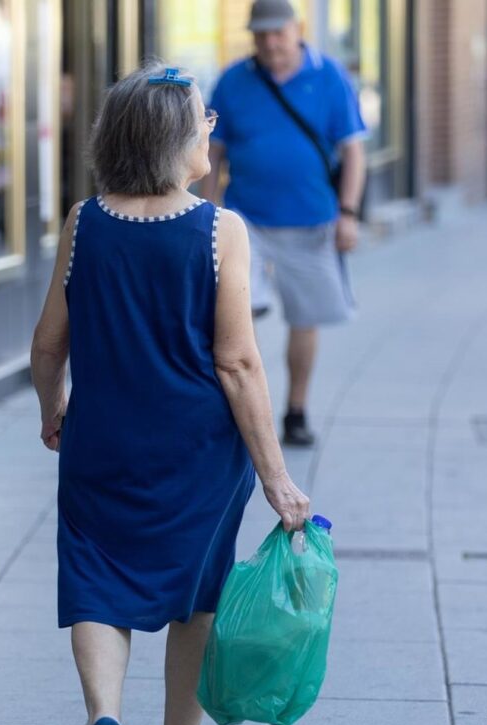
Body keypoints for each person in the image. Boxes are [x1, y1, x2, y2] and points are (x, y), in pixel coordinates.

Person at [30, 62, 310, 725]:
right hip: (197, 452)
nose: (211, 132)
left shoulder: (84, 221)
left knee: (94, 580)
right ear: (173, 140)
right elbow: (240, 360)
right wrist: (278, 476)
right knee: (196, 595)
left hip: (101, 439)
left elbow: (48, 343)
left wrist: (52, 408)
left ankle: (105, 719)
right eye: (202, 121)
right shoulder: (220, 230)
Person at [200, 0, 367, 448]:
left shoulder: (329, 76)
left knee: (305, 318)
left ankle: (295, 410)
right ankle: (241, 406)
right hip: (244, 220)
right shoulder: (235, 80)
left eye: (278, 33)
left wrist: (348, 214)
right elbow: (212, 152)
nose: (270, 43)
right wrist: (207, 212)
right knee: (235, 313)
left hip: (311, 220)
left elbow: (353, 151)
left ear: (297, 29)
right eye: (261, 34)